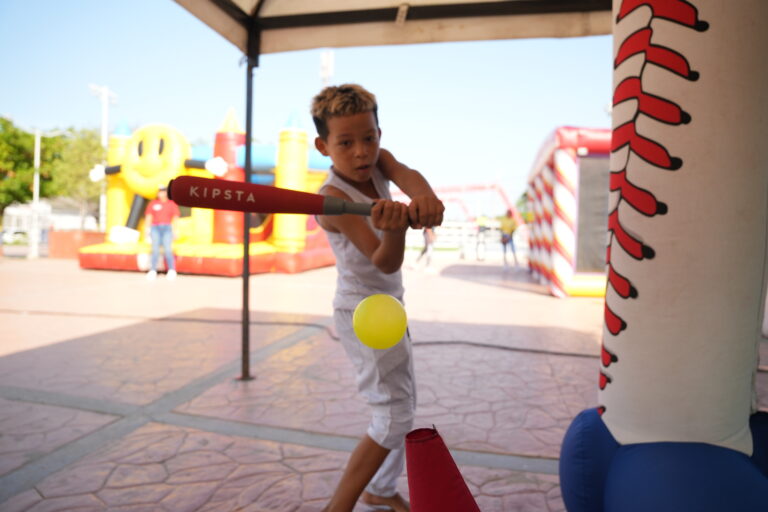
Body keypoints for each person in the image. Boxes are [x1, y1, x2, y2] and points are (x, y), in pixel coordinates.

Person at [312, 84, 444, 512]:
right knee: (392, 417)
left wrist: (424, 199)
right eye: (345, 143)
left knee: (402, 405)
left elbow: (411, 178)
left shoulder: (379, 162)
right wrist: (395, 228)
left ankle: (381, 489)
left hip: (389, 309)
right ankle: (339, 506)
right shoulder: (332, 200)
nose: (360, 152)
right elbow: (384, 261)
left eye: (368, 137)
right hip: (362, 313)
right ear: (323, 146)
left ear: (379, 134)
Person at [144, 185, 180, 280]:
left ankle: (171, 269)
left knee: (168, 249)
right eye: (160, 191)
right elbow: (149, 217)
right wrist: (147, 230)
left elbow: (175, 218)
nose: (162, 193)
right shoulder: (153, 203)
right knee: (155, 249)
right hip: (155, 228)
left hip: (167, 228)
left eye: (164, 191)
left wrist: (175, 231)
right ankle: (153, 270)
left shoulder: (171, 204)